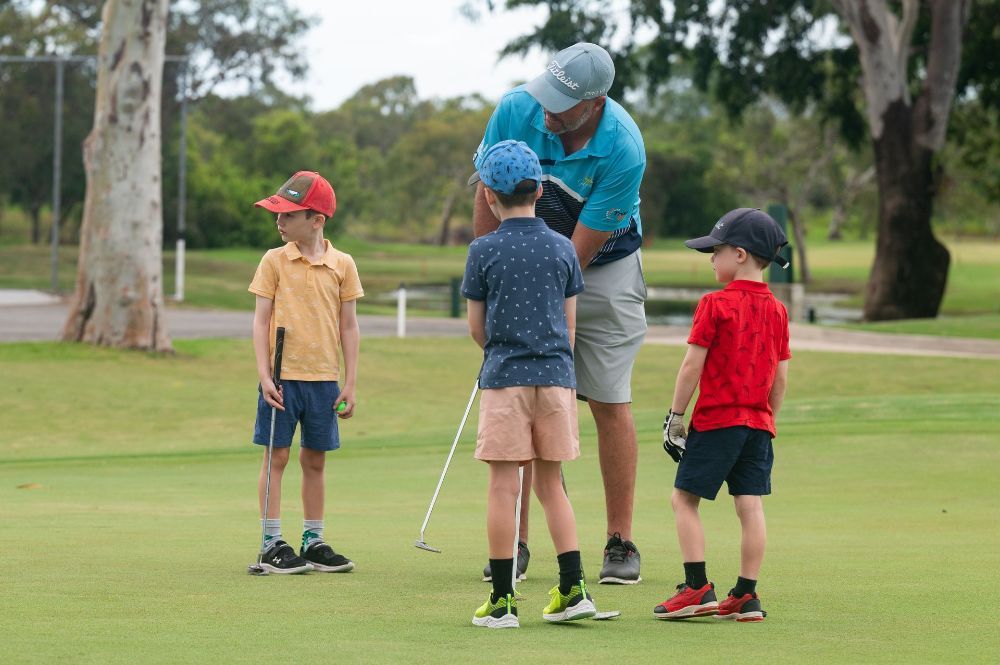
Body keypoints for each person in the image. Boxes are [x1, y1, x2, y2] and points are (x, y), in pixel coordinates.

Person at [472, 42, 647, 585]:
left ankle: (619, 542)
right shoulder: (516, 109)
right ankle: (517, 544)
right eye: (545, 95)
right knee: (527, 392)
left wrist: (528, 297)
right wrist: (494, 273)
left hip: (603, 262)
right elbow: (486, 189)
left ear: (594, 103)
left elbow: (576, 254)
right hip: (525, 254)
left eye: (562, 103)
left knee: (609, 400)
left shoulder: (623, 146)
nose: (546, 110)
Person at [464, 140, 595, 629]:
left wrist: (499, 351)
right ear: (539, 191)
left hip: (505, 379)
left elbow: (477, 326)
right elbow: (570, 326)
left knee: (503, 485)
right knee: (552, 484)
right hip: (557, 380)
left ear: (490, 198)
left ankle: (502, 601)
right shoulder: (563, 248)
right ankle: (573, 588)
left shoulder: (484, 249)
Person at [653, 208, 791, 622]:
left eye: (717, 250)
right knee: (749, 505)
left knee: (684, 499)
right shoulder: (779, 311)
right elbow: (780, 378)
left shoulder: (714, 304)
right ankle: (746, 596)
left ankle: (697, 587)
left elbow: (691, 366)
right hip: (758, 425)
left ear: (742, 254)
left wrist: (675, 416)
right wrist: (768, 420)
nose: (712, 258)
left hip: (717, 421)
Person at [247, 171, 363, 574]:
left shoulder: (342, 264)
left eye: (288, 214)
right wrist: (264, 374)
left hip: (324, 380)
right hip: (281, 378)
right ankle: (270, 542)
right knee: (276, 456)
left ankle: (313, 540)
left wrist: (349, 380)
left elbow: (348, 326)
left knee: (315, 460)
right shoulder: (274, 260)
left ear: (317, 220)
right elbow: (260, 322)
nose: (278, 221)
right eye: (277, 213)